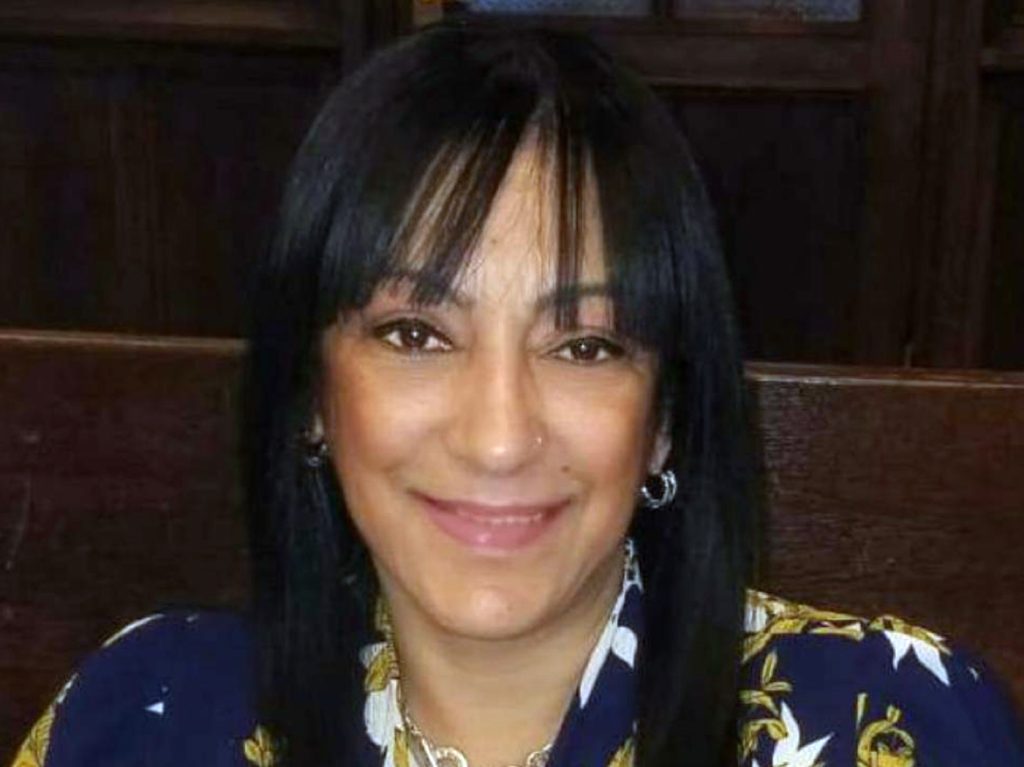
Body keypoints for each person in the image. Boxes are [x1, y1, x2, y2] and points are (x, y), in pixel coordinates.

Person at [11, 21, 1023, 767]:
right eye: (416, 334)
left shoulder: (898, 721)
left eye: (585, 345)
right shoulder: (142, 717)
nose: (498, 436)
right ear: (312, 391)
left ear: (665, 417)